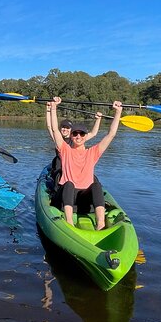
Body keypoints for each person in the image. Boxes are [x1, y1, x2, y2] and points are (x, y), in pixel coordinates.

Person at [48, 97, 123, 230]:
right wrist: (54, 107)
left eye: (82, 134)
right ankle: (69, 223)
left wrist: (118, 112)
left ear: (85, 136)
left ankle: (101, 224)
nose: (78, 136)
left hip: (83, 199)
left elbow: (110, 135)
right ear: (71, 136)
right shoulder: (65, 150)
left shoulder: (93, 152)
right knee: (69, 184)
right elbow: (54, 129)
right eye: (75, 134)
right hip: (65, 197)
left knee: (96, 185)